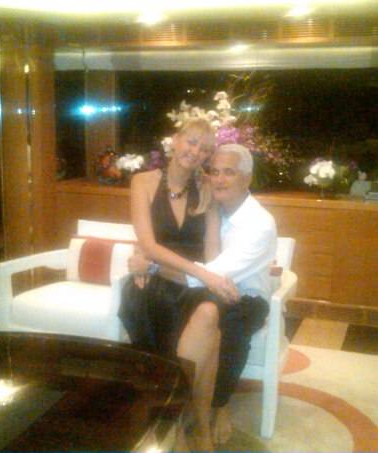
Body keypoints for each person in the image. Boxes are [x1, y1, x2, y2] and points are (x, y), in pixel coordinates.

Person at [127, 143, 278, 447]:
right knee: (190, 317)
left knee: (226, 327)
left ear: (247, 179)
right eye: (214, 171)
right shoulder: (212, 207)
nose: (219, 179)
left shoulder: (258, 224)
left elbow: (209, 274)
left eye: (229, 172)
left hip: (247, 297)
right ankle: (186, 412)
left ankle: (216, 406)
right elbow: (175, 246)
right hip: (211, 287)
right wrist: (144, 251)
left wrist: (152, 265)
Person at [119, 118, 238, 451]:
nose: (196, 151)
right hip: (154, 281)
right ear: (175, 140)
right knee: (203, 339)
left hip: (193, 283)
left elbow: (212, 251)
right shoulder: (142, 182)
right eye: (191, 141)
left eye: (204, 148)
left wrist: (210, 276)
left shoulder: (207, 190)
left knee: (209, 315)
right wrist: (200, 273)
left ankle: (190, 422)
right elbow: (148, 243)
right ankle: (186, 424)